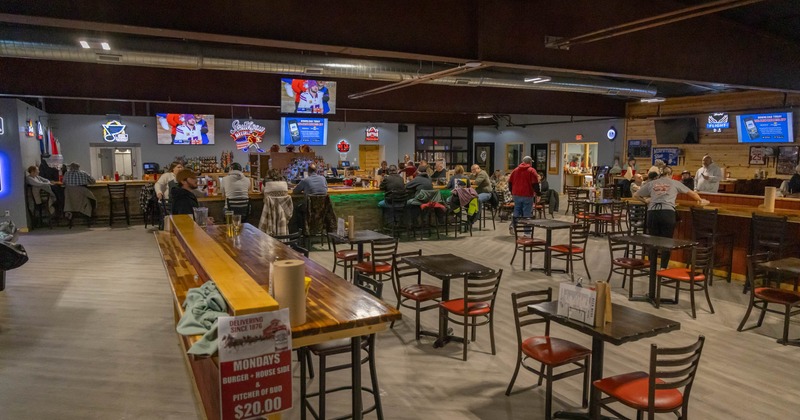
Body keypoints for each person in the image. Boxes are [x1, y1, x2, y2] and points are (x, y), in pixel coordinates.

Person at [634, 166, 704, 269]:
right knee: (666, 242)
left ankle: (652, 268)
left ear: (661, 174)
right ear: (671, 174)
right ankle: (663, 268)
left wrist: (646, 201)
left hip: (652, 213)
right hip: (667, 213)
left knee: (652, 241)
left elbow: (635, 195)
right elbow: (693, 194)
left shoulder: (652, 183)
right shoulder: (675, 183)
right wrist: (700, 200)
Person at [507, 156, 540, 229]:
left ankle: (513, 225)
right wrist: (538, 193)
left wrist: (512, 192)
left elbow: (510, 182)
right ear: (530, 162)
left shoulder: (515, 170)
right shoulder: (532, 170)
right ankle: (527, 232)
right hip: (527, 194)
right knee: (527, 213)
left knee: (516, 210)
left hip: (516, 194)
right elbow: (535, 183)